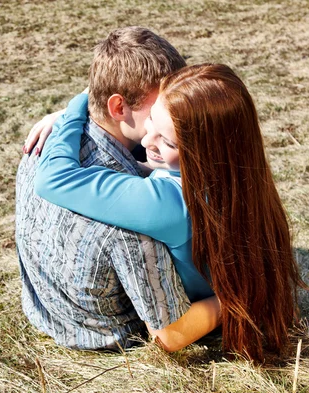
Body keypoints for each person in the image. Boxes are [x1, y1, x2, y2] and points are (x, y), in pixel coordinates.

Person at [31, 64, 304, 362]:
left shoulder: (169, 206)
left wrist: (74, 110)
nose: (147, 141)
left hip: (198, 316)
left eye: (168, 141)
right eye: (151, 120)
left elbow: (54, 180)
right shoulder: (239, 175)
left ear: (204, 150)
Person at [16, 27, 221, 352]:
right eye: (158, 108)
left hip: (44, 308)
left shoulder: (45, 143)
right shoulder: (135, 214)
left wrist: (72, 110)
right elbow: (170, 332)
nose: (173, 110)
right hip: (104, 332)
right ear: (118, 106)